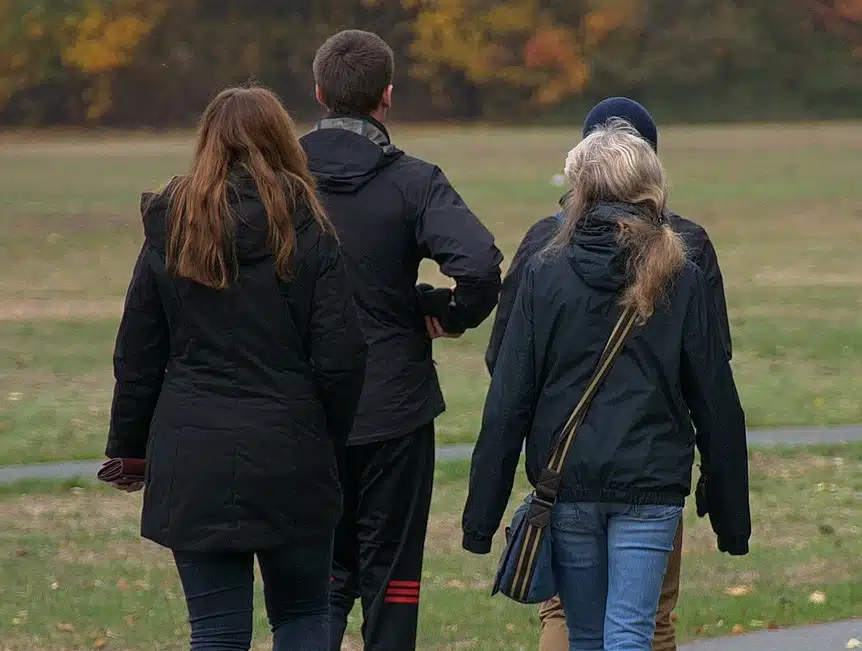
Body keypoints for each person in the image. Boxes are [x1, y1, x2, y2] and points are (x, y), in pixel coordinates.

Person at [462, 119, 750, 651]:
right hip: (651, 479)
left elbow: (508, 397)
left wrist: (481, 516)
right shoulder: (682, 274)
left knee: (587, 635)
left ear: (580, 187)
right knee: (632, 632)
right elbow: (715, 400)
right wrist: (732, 517)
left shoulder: (545, 272)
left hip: (567, 478)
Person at [104, 86, 368, 651]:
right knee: (303, 614)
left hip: (193, 452)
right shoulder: (307, 227)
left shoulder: (174, 227)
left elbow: (137, 356)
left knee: (217, 631)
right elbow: (341, 356)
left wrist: (128, 448)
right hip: (290, 446)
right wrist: (327, 438)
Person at [298, 29, 503, 651]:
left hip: (302, 406)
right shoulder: (413, 181)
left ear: (319, 93)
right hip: (394, 405)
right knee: (392, 578)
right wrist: (447, 313)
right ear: (386, 96)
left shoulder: (280, 182)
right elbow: (480, 266)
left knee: (316, 578)